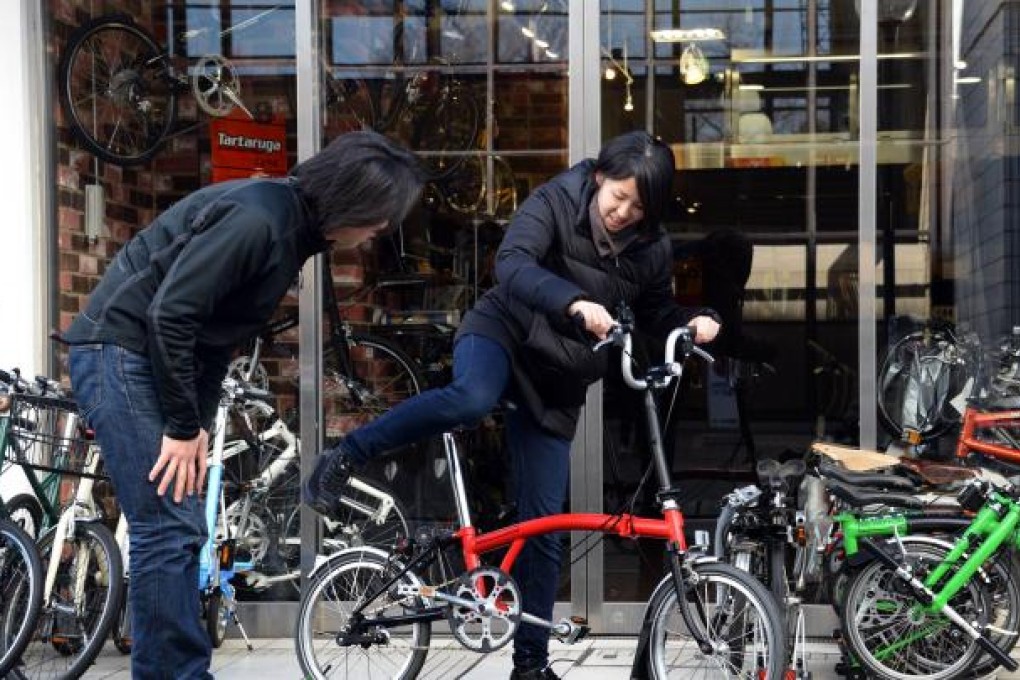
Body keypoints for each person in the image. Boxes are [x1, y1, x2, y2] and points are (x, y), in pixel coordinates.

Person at [304, 130, 721, 680]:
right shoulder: (556, 199)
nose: (623, 213)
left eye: (638, 207)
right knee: (470, 398)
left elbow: (657, 311)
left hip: (557, 376)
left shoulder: (650, 248)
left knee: (543, 525)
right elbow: (513, 262)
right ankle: (347, 454)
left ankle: (530, 666)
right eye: (618, 196)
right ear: (599, 177)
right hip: (504, 333)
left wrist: (695, 321)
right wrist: (574, 301)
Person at [63, 131, 425, 679]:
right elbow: (171, 315)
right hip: (121, 350)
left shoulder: (289, 230)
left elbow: (215, 340)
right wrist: (181, 424)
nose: (379, 231)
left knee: (184, 528)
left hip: (146, 357)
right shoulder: (261, 220)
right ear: (355, 201)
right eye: (380, 219)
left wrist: (197, 423)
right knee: (165, 527)